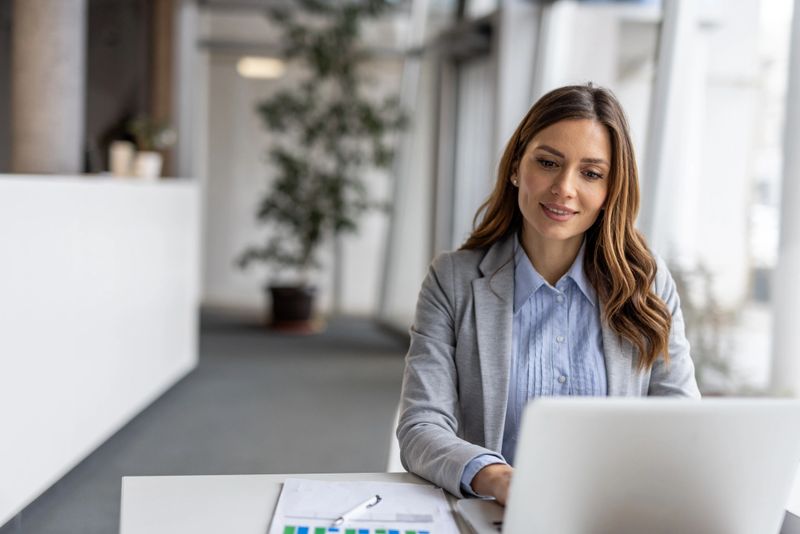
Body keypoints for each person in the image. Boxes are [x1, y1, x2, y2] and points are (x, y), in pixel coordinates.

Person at [396, 84, 700, 505]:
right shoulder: (453, 280)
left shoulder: (646, 282)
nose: (564, 188)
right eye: (548, 162)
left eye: (591, 173)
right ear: (518, 166)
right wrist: (498, 478)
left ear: (611, 189)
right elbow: (421, 426)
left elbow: (682, 422)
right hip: (499, 516)